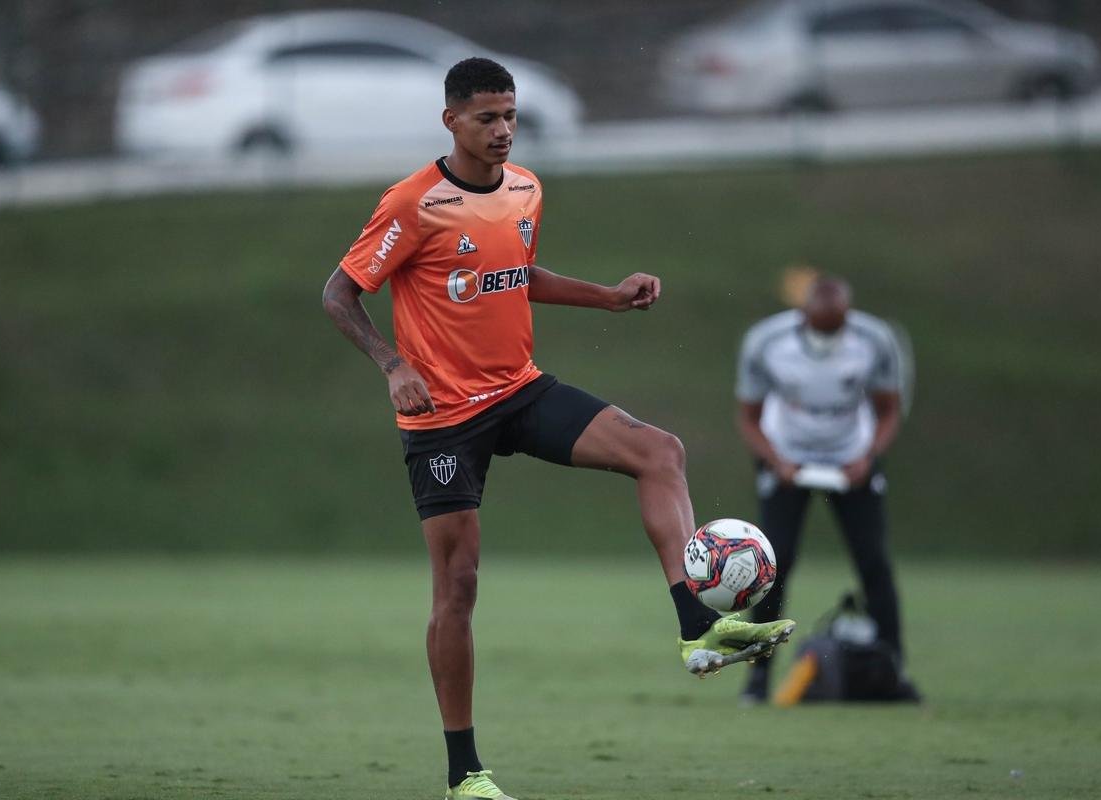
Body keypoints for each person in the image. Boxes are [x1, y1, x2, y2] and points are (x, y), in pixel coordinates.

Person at [323, 57, 795, 800]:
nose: (503, 130)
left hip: (519, 390)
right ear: (451, 121)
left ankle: (695, 625)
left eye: (510, 115)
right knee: (458, 587)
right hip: (443, 418)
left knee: (659, 452)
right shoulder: (413, 203)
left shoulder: (525, 188)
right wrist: (391, 364)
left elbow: (520, 273)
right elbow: (340, 293)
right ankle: (465, 774)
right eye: (487, 117)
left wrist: (608, 297)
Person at [734, 275, 918, 704]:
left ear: (847, 318)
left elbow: (889, 410)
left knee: (873, 562)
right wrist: (775, 460)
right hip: (788, 457)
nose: (826, 338)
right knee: (773, 566)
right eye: (819, 328)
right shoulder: (766, 341)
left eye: (835, 329)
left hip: (851, 456)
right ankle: (758, 677)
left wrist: (868, 457)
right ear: (802, 316)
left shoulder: (875, 340)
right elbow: (749, 417)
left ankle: (893, 671)